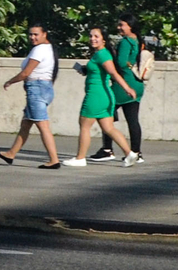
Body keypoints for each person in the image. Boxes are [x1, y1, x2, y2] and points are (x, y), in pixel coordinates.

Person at [63, 25, 138, 167]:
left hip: (96, 96)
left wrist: (127, 88)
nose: (92, 39)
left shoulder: (103, 55)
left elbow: (114, 73)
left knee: (84, 125)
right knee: (109, 128)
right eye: (91, 36)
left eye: (96, 36)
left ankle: (80, 158)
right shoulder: (99, 54)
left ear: (104, 40)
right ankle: (129, 154)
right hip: (104, 96)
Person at [0, 23, 61, 168]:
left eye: (36, 34)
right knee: (26, 124)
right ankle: (11, 154)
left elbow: (26, 73)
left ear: (45, 34)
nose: (32, 37)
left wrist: (9, 81)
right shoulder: (48, 48)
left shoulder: (39, 50)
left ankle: (54, 160)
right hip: (45, 88)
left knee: (43, 125)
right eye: (30, 34)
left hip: (36, 89)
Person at [112, 16, 150, 165]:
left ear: (130, 26)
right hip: (137, 83)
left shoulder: (126, 42)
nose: (119, 28)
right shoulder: (139, 41)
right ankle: (137, 152)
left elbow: (121, 62)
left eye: (122, 25)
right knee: (133, 119)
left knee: (105, 115)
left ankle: (107, 149)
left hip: (124, 83)